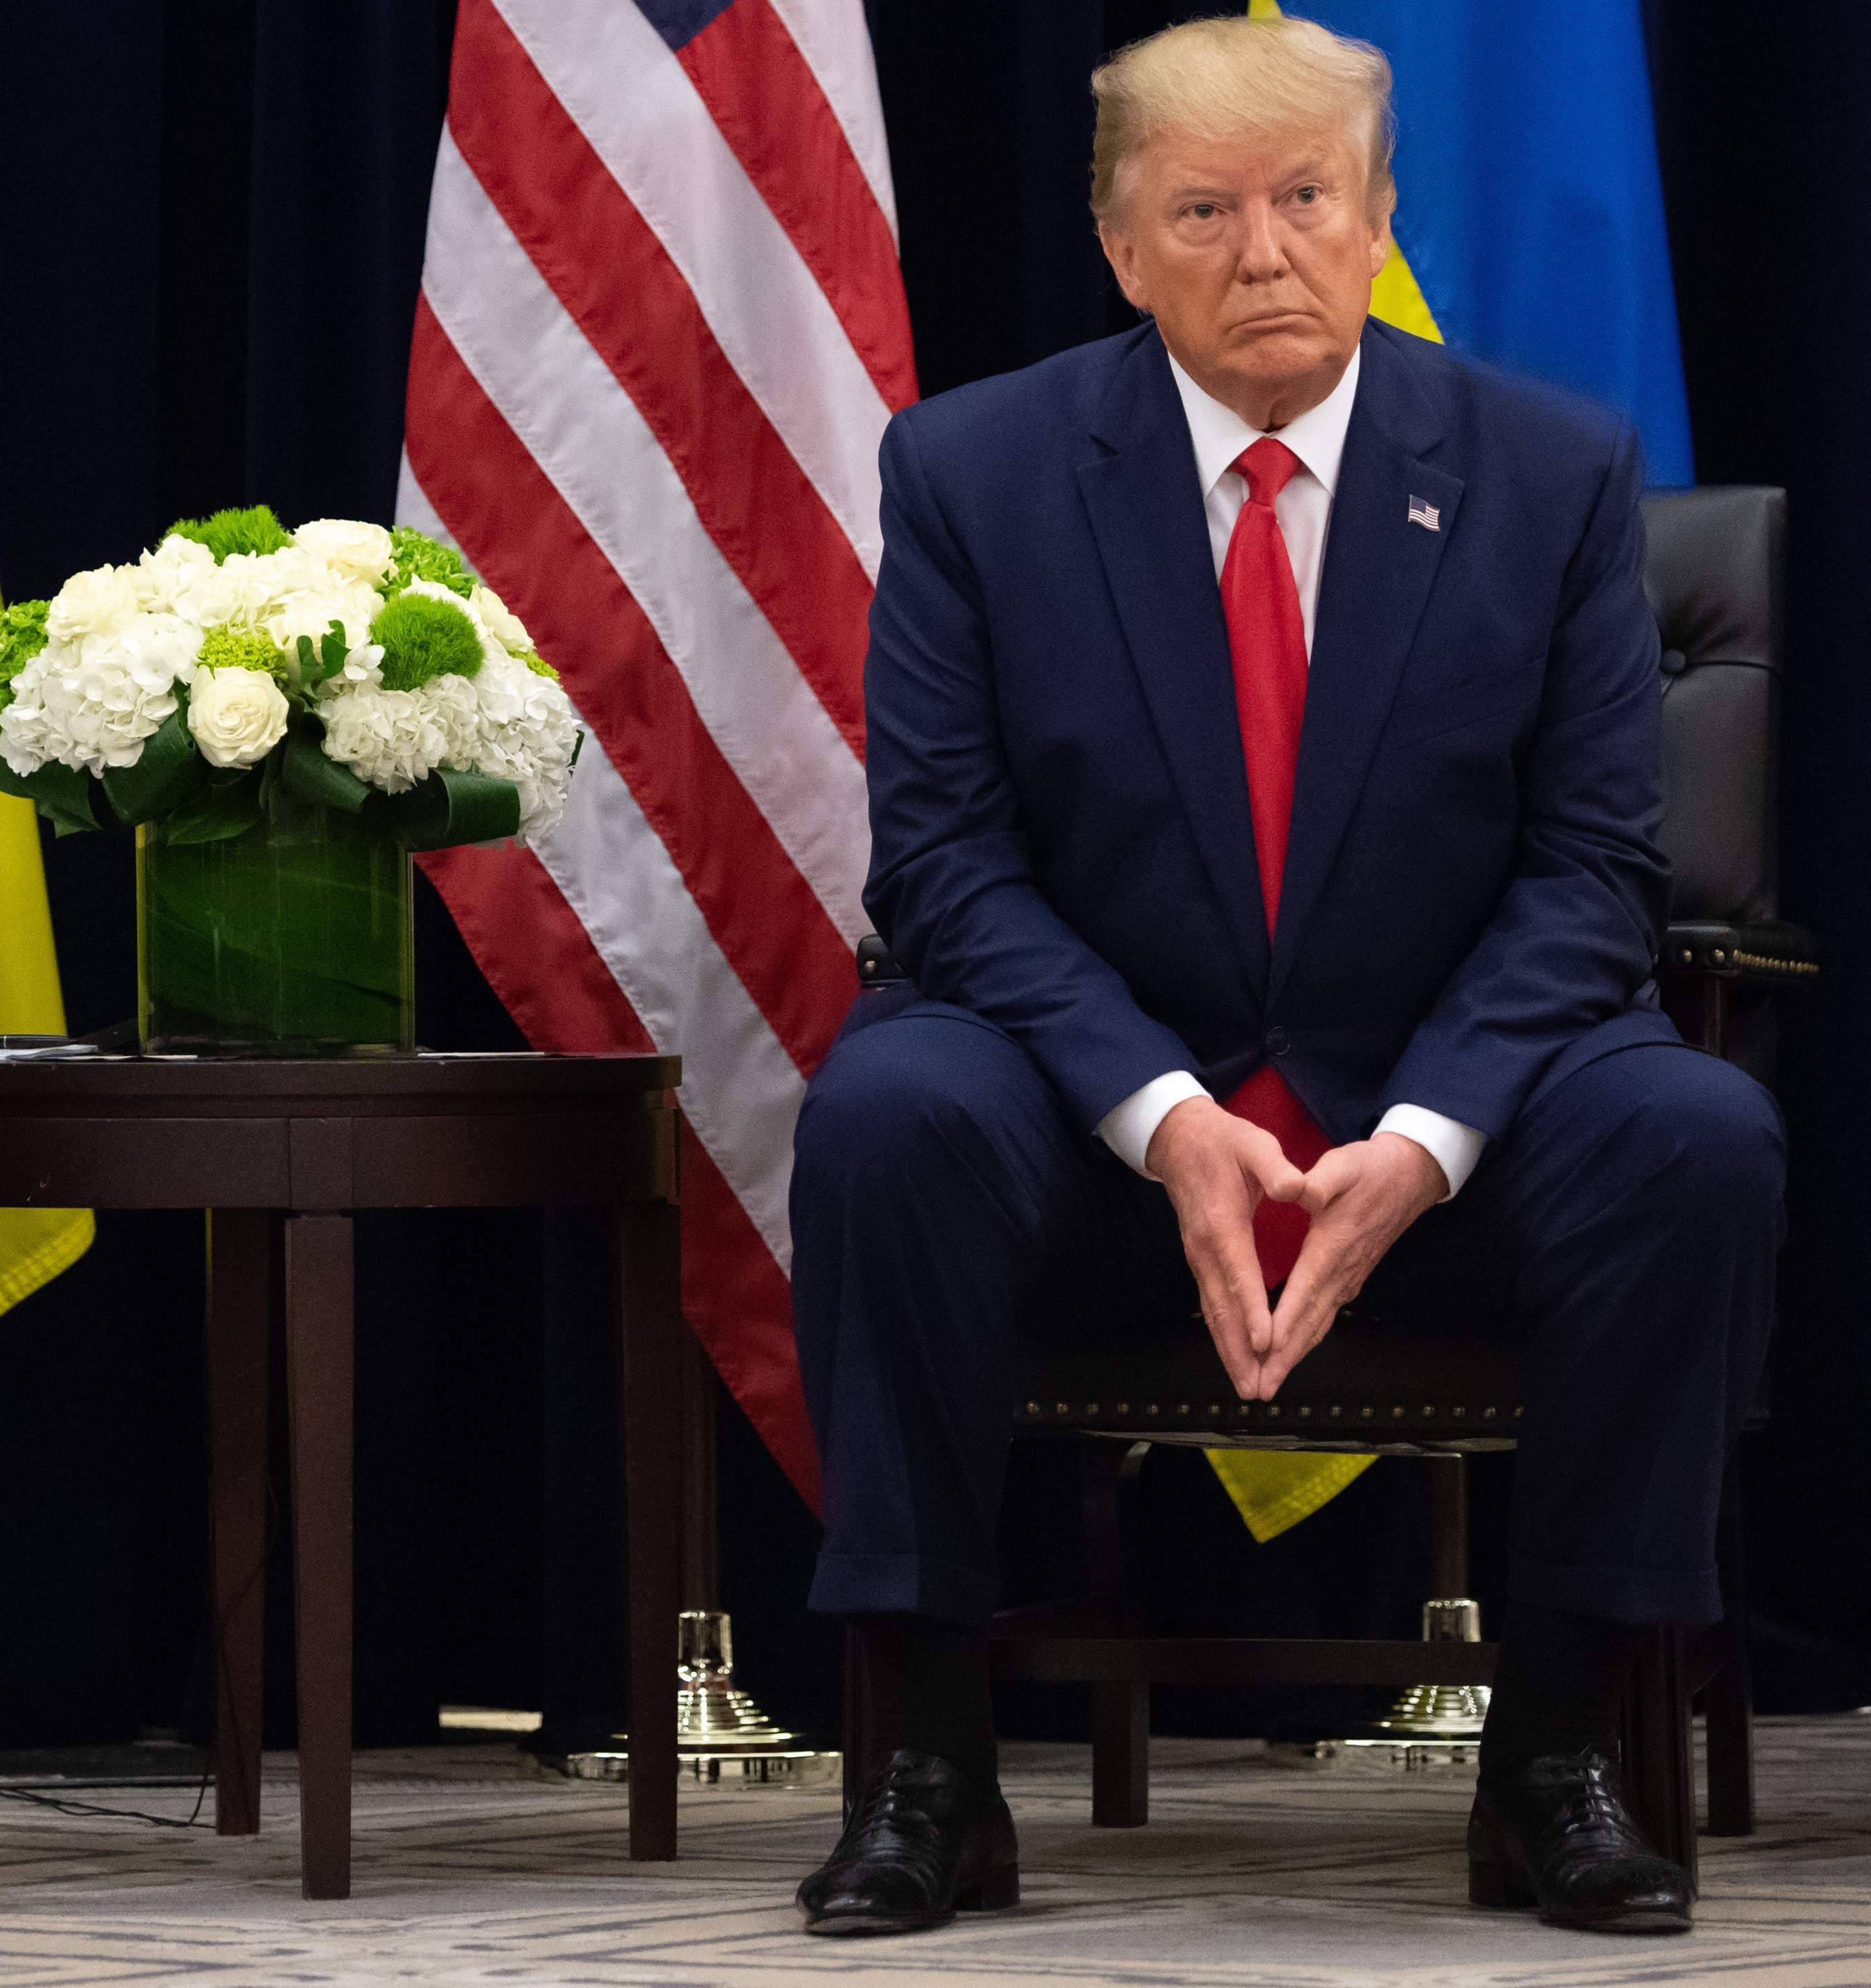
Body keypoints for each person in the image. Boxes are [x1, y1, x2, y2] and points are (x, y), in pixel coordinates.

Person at [788, 16, 1779, 1940]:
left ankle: (1557, 1755)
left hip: (1435, 1134)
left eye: (1307, 200)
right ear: (1118, 243)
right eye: (1205, 210)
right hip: (1091, 1139)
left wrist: (1416, 1141)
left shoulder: (1544, 470)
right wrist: (1162, 1120)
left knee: (1692, 1133)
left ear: (1377, 212)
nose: (1265, 252)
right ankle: (920, 1762)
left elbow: (1590, 872)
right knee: (889, 1111)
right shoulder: (974, 472)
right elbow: (946, 867)